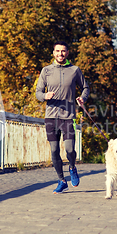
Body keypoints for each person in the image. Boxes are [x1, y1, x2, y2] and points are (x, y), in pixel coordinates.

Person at [36, 41, 90, 194]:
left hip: (68, 116)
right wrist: (44, 96)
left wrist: (83, 98)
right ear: (53, 53)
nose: (60, 54)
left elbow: (85, 87)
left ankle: (72, 167)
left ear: (67, 53)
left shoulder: (75, 70)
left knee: (70, 149)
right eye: (57, 51)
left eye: (63, 51)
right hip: (51, 117)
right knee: (54, 151)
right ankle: (61, 180)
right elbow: (38, 92)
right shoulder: (46, 71)